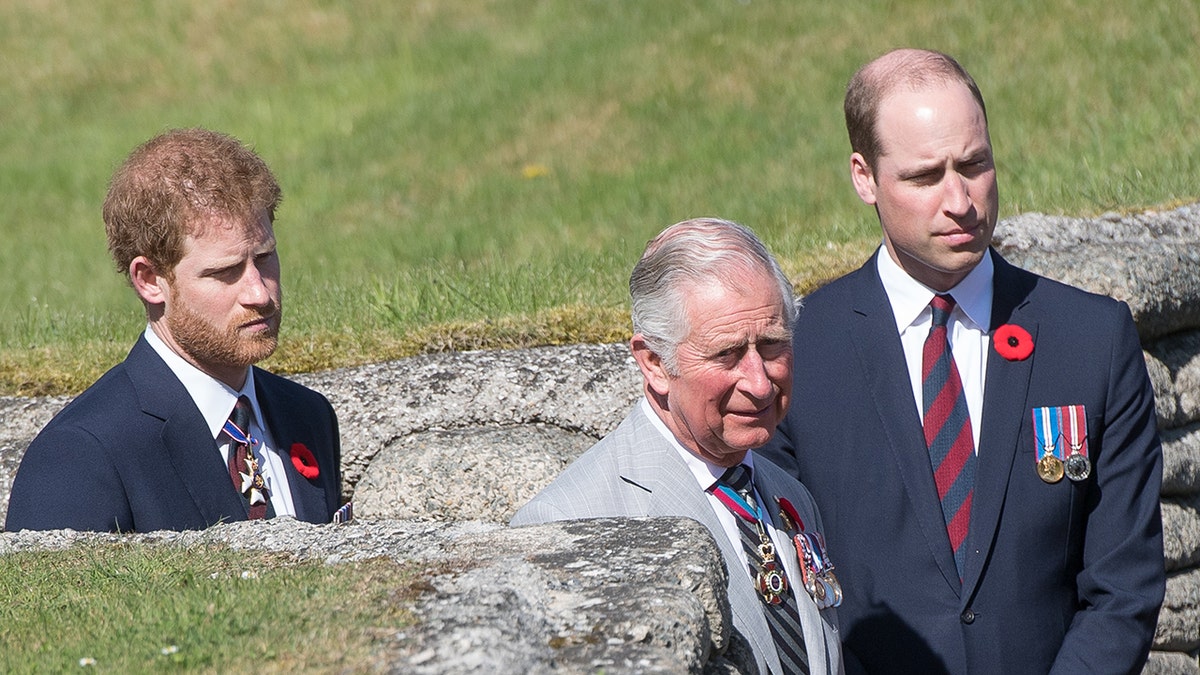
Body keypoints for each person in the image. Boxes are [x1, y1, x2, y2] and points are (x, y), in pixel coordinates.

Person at [760, 49, 1165, 673]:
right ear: (864, 177)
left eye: (975, 165)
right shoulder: (801, 351)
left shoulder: (1090, 340)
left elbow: (1123, 587)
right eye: (925, 177)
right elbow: (783, 590)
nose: (960, 200)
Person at [512, 218, 844, 675]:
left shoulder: (789, 495)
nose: (760, 383)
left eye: (771, 345)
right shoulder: (566, 528)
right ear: (654, 363)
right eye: (726, 354)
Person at [5, 128, 344, 532]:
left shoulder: (308, 415)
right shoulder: (80, 455)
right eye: (224, 272)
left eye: (265, 258)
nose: (259, 292)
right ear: (149, 280)